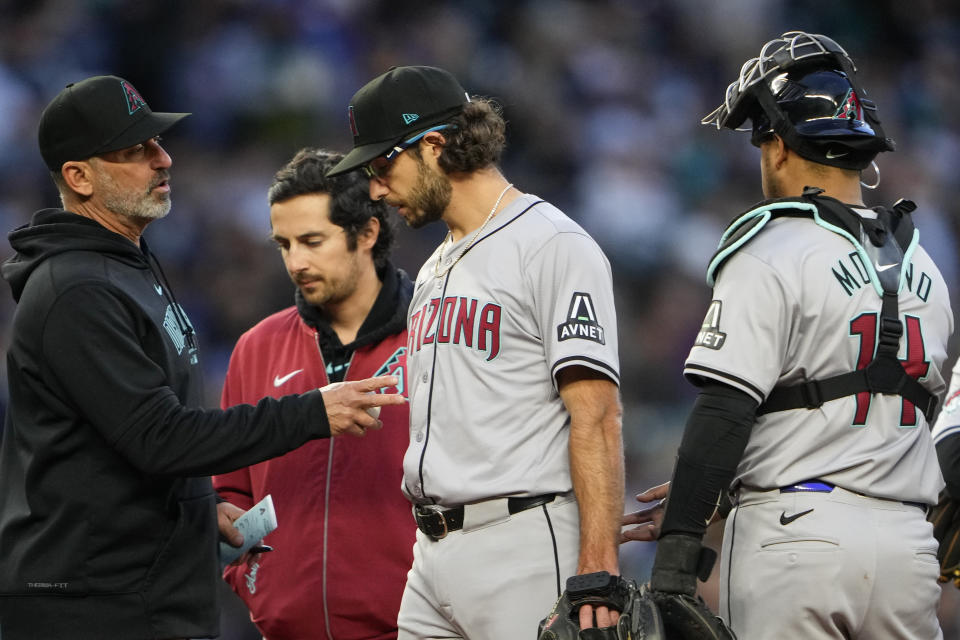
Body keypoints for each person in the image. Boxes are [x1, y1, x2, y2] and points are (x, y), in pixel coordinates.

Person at [0, 75, 403, 640]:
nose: (162, 159)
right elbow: (159, 437)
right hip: (93, 603)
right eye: (135, 150)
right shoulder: (77, 288)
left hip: (140, 590)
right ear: (79, 176)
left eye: (158, 143)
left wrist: (195, 506)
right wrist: (312, 411)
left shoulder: (127, 265)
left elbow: (131, 444)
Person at [622, 32, 952, 640]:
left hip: (798, 536)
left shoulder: (773, 246)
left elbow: (725, 408)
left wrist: (675, 558)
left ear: (778, 148)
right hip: (908, 549)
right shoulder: (927, 268)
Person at [327, 65, 626, 638]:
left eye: (383, 164)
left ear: (434, 145)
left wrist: (599, 563)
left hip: (523, 541)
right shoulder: (438, 262)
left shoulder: (552, 244)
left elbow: (598, 414)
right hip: (432, 553)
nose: (375, 188)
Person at [213, 148, 414, 639]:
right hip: (285, 628)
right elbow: (230, 488)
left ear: (367, 232)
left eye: (312, 241)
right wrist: (251, 576)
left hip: (415, 627)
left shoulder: (434, 336)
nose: (295, 262)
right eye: (283, 244)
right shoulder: (255, 347)